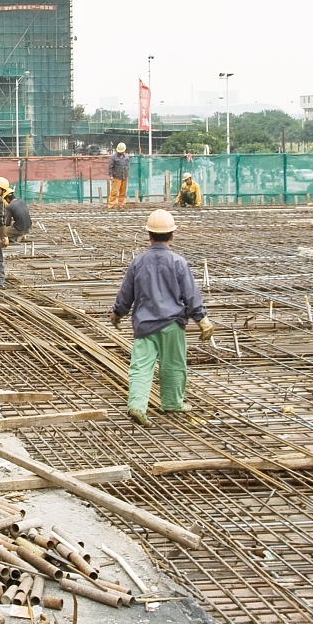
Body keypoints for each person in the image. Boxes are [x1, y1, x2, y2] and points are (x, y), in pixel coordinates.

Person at [112, 208, 214, 426]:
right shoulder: (178, 262)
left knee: (140, 368)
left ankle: (137, 405)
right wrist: (202, 320)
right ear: (172, 235)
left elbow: (126, 294)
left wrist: (117, 314)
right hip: (172, 324)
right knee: (173, 365)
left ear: (149, 235)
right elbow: (191, 293)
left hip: (145, 325)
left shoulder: (138, 262)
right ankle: (171, 402)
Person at [107, 142, 130, 209]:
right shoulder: (114, 157)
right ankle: (111, 205)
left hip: (124, 177)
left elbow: (127, 167)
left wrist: (127, 175)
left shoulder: (126, 157)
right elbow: (110, 167)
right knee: (114, 192)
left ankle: (121, 204)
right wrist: (111, 176)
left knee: (122, 192)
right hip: (116, 177)